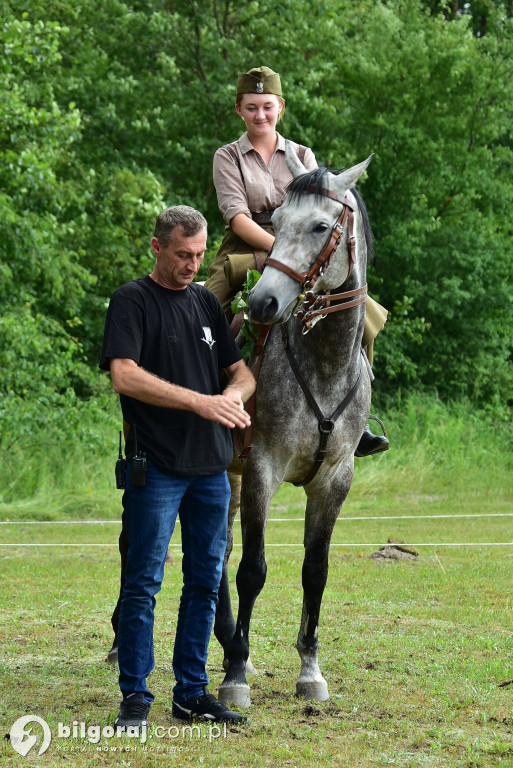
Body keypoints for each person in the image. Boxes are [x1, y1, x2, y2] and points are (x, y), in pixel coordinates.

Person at [99, 205, 255, 727]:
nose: (193, 264)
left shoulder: (208, 303)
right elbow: (124, 375)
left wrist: (231, 394)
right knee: (143, 582)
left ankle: (191, 692)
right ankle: (136, 696)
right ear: (157, 247)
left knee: (206, 579)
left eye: (200, 254)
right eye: (183, 254)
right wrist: (201, 401)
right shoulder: (131, 301)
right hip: (157, 467)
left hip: (212, 468)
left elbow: (242, 374)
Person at [205, 66, 389, 457]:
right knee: (203, 312)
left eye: (267, 107)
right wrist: (283, 248)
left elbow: (319, 210)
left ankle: (361, 417)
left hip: (301, 251)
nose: (260, 115)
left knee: (363, 311)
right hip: (244, 249)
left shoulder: (302, 155)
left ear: (280, 108)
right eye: (251, 107)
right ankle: (205, 404)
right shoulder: (228, 156)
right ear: (239, 109)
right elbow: (237, 216)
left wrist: (296, 251)